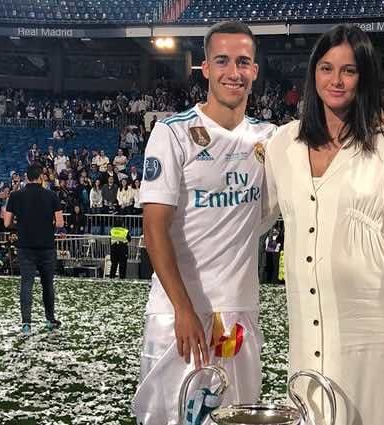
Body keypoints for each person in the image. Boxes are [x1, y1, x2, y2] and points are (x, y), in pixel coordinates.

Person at [263, 24, 384, 425]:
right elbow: (260, 215)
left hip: (375, 319)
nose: (336, 80)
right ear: (313, 74)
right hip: (307, 313)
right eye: (326, 68)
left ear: (365, 77)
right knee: (314, 411)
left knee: (370, 413)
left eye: (349, 70)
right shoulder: (282, 144)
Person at [131, 21, 277, 425]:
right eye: (223, 61)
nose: (235, 71)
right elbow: (154, 228)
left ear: (255, 71)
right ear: (205, 69)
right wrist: (182, 308)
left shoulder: (270, 139)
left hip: (239, 312)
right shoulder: (172, 133)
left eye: (244, 62)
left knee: (237, 417)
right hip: (179, 314)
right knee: (171, 419)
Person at [4, 164, 64, 336]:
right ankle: (50, 319)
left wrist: (21, 226)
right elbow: (59, 223)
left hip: (25, 246)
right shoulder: (51, 195)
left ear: (26, 177)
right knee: (47, 285)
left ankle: (26, 324)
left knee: (26, 284)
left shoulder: (15, 195)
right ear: (41, 178)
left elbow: (7, 222)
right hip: (46, 246)